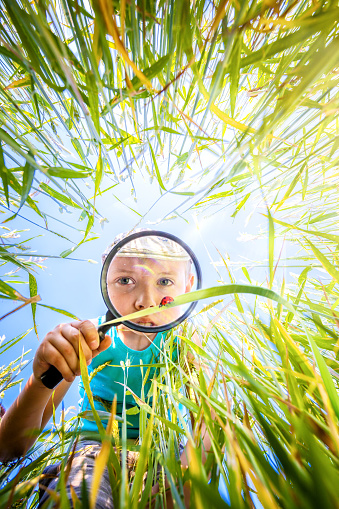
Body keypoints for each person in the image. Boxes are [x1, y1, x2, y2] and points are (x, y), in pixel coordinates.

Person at [0, 231, 210, 508]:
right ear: (105, 285)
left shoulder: (183, 343)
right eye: (126, 280)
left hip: (165, 455)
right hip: (91, 454)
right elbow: (9, 448)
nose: (145, 301)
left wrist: (185, 475)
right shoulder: (86, 338)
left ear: (188, 286)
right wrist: (41, 381)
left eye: (164, 281)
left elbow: (208, 421)